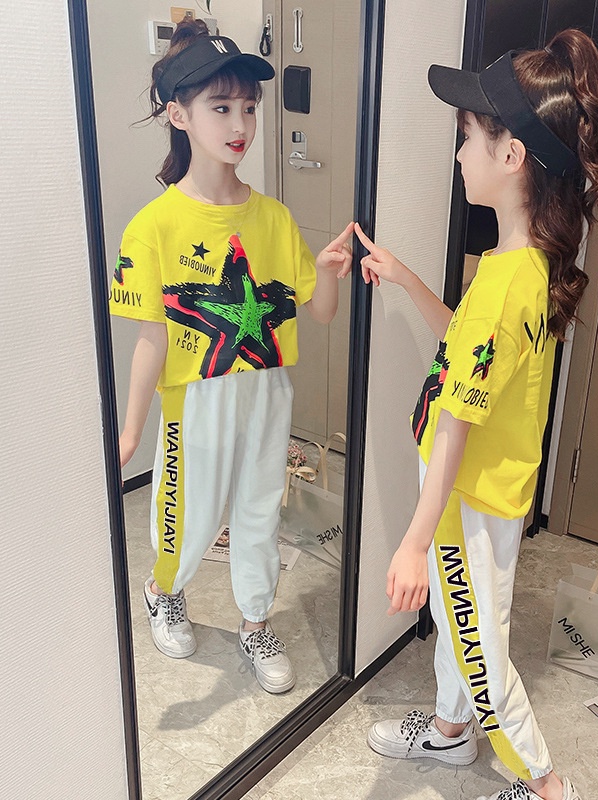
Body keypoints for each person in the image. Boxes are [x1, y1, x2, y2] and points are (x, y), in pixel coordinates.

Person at [355, 29, 598, 800]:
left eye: (468, 137)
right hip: (470, 492)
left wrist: (413, 540)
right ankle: (449, 733)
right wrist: (407, 279)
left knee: (478, 651)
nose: (459, 154)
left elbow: (459, 422)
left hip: (466, 498)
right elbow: (465, 356)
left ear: (511, 156)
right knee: (457, 619)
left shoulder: (507, 285)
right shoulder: (516, 266)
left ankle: (545, 785)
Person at [109, 20, 353, 694]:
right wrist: (131, 429)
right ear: (178, 114)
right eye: (221, 107)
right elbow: (152, 338)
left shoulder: (273, 217)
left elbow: (320, 312)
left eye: (249, 107)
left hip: (267, 390)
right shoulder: (153, 226)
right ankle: (164, 591)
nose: (240, 123)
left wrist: (326, 270)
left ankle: (254, 621)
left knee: (258, 512)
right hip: (196, 399)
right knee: (186, 515)